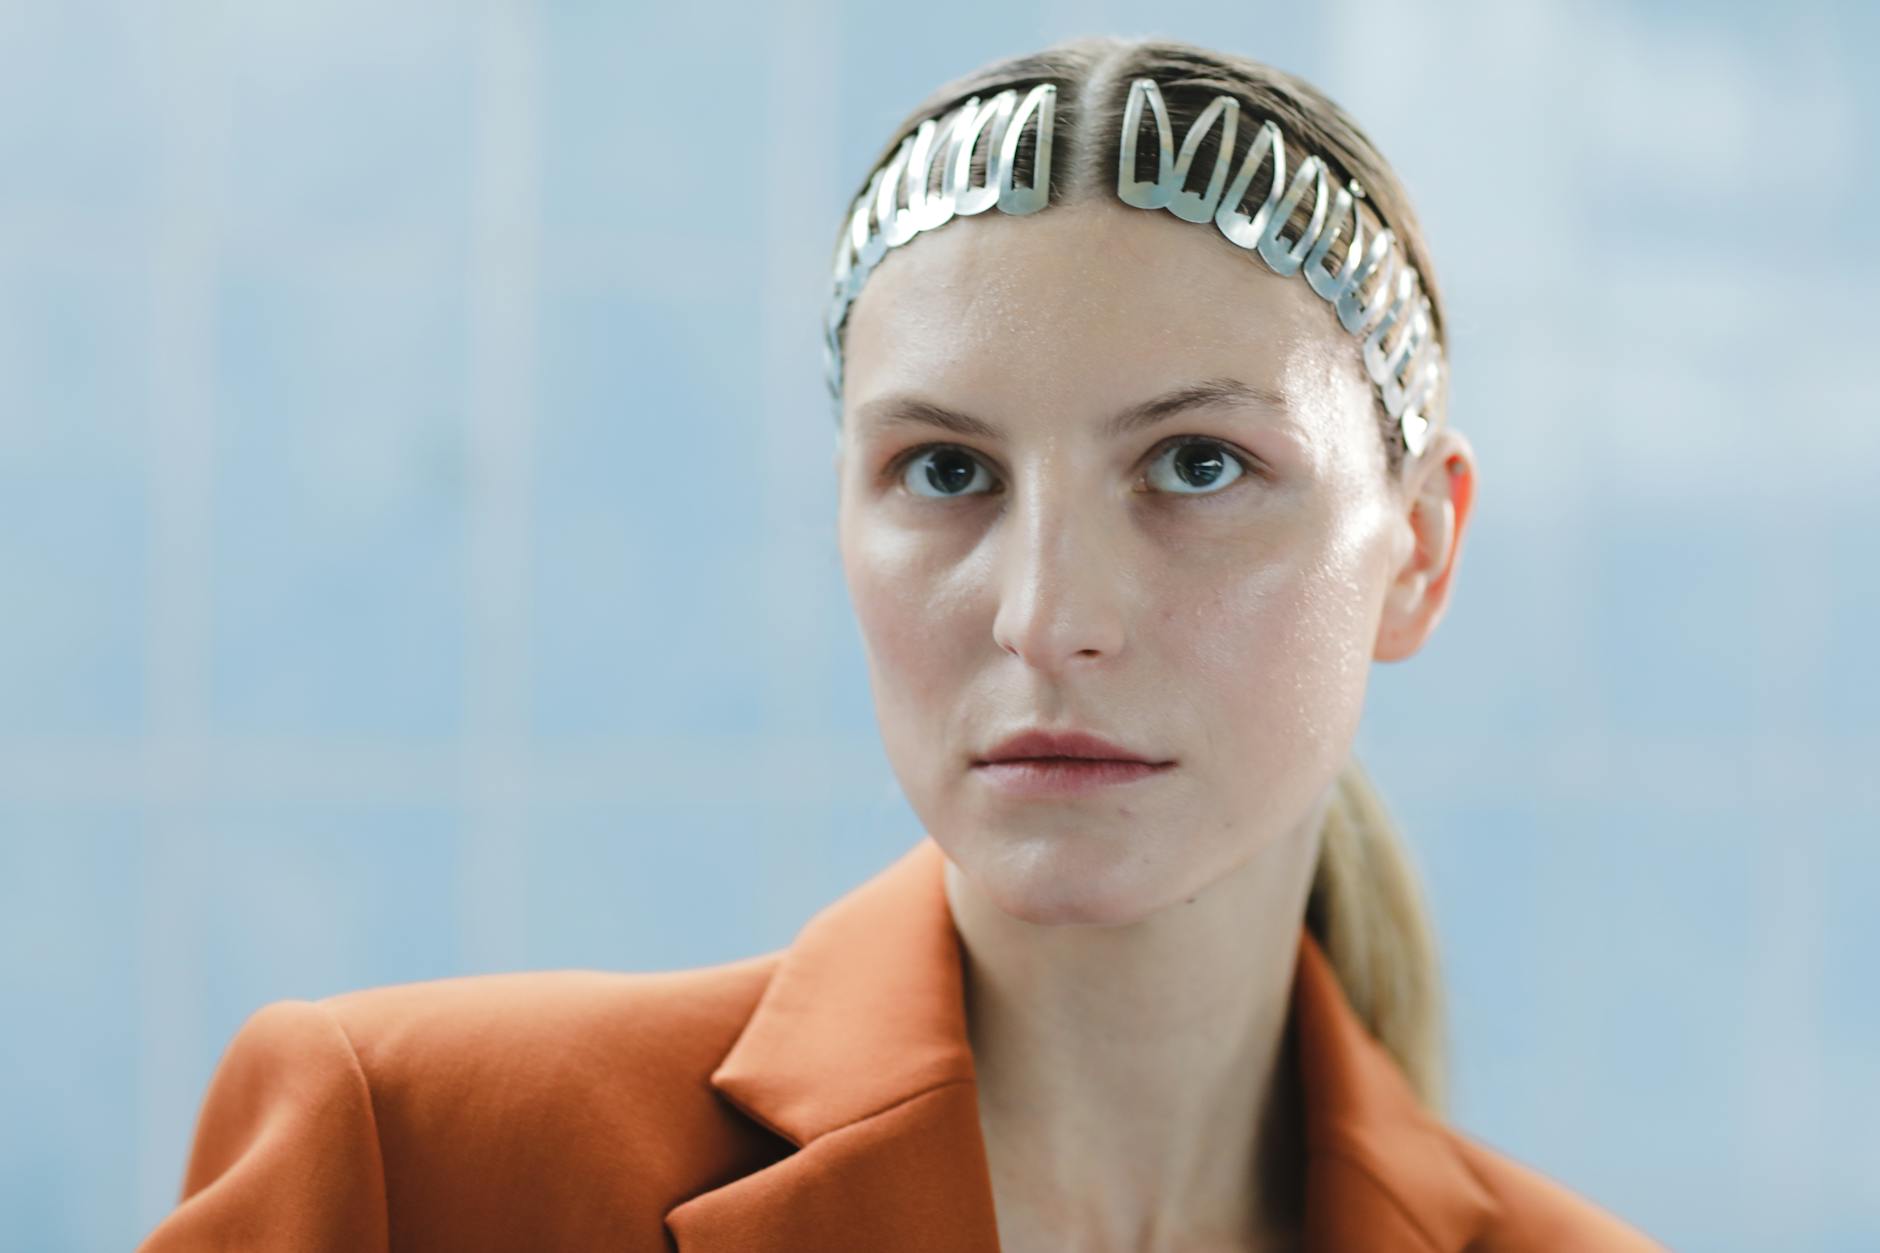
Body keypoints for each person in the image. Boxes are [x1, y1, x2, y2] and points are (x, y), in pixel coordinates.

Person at [138, 34, 1667, 1253]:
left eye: (1197, 464)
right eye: (947, 471)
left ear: (1420, 546)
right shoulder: (423, 1171)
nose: (1047, 616)